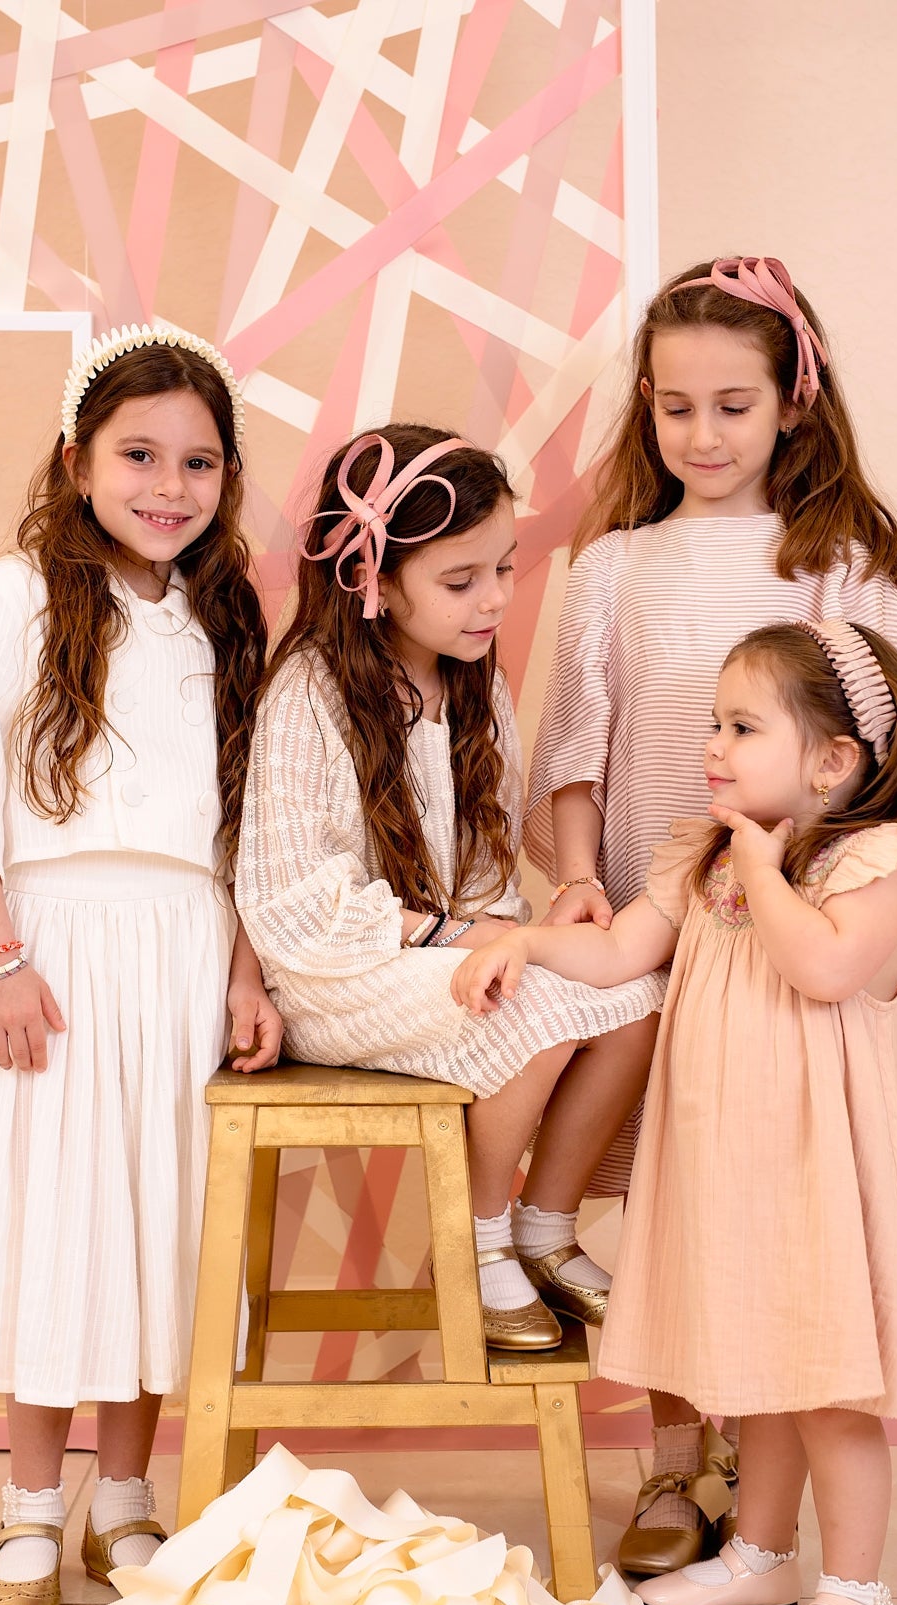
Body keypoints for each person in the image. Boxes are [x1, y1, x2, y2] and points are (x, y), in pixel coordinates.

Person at [524, 255, 897, 1576]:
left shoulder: (836, 568)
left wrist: (821, 886)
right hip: (662, 906)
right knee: (671, 1192)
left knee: (776, 1199)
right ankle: (678, 1458)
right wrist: (581, 875)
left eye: (732, 406)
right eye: (674, 408)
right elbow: (575, 746)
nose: (701, 435)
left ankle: (781, 1507)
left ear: (793, 405)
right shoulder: (616, 568)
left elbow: (879, 743)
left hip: (789, 919)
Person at [453, 619, 897, 1605]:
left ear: (833, 760)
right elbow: (617, 951)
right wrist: (526, 939)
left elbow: (823, 969)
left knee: (828, 1387)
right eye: (713, 724)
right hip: (732, 1168)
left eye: (742, 727)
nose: (713, 747)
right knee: (759, 1371)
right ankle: (761, 1554)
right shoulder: (709, 855)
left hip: (823, 1176)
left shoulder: (878, 867)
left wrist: (766, 868)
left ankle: (856, 1593)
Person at [0, 326, 281, 1605]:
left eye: (199, 463)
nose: (169, 486)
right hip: (51, 951)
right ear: (75, 461)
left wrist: (244, 970)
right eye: (139, 455)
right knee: (55, 1217)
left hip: (183, 950)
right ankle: (28, 1504)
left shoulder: (226, 617)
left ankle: (124, 1491)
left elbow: (248, 823)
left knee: (156, 1219)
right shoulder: (6, 600)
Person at [235, 424, 665, 1353]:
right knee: (528, 1007)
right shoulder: (309, 690)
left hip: (442, 956)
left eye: (503, 568)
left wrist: (519, 924)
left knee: (638, 1001)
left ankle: (546, 1226)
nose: (497, 598)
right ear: (374, 579)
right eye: (461, 581)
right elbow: (293, 905)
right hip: (335, 976)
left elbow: (487, 873)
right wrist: (464, 938)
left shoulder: (475, 687)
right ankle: (480, 1235)